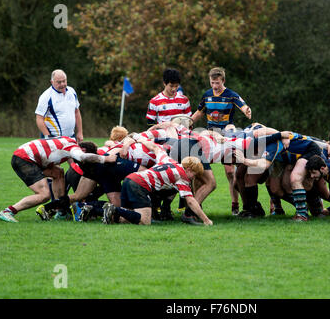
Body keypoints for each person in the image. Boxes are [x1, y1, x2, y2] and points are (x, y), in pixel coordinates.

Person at [0, 137, 116, 223]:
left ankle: (61, 210)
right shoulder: (74, 149)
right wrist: (106, 159)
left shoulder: (70, 141)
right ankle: (8, 211)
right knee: (44, 195)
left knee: (58, 172)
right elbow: (82, 156)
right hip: (25, 159)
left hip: (29, 156)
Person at [102, 136, 213, 226]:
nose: (193, 178)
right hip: (138, 185)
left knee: (126, 219)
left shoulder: (168, 160)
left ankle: (95, 209)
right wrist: (206, 220)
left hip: (130, 179)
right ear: (189, 169)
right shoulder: (182, 177)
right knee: (145, 221)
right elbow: (191, 201)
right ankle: (114, 209)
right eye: (194, 174)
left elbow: (155, 148)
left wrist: (142, 140)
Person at [191, 67, 252, 214]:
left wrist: (246, 110)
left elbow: (242, 105)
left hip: (226, 134)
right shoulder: (206, 95)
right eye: (212, 83)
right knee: (198, 169)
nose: (215, 86)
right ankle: (195, 204)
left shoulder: (231, 95)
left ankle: (235, 203)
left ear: (223, 81)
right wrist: (188, 121)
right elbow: (199, 112)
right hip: (210, 134)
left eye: (217, 83)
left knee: (230, 171)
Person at [35, 69, 83, 142]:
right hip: (54, 138)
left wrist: (80, 132)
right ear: (52, 82)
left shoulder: (72, 91)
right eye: (59, 82)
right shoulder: (46, 96)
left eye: (64, 81)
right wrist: (48, 137)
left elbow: (77, 112)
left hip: (71, 137)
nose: (62, 84)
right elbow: (39, 118)